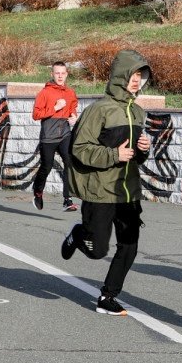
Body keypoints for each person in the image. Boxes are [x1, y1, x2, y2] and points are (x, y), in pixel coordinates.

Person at [59, 50, 152, 316]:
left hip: (128, 191)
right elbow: (79, 148)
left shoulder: (138, 112)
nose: (136, 80)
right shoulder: (99, 110)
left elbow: (135, 156)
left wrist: (143, 149)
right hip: (100, 191)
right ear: (120, 76)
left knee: (129, 246)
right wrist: (114, 155)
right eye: (132, 75)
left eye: (140, 75)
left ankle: (107, 296)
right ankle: (80, 234)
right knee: (97, 251)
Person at [32, 61, 79, 212]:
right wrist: (55, 108)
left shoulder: (70, 93)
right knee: (47, 166)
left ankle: (67, 199)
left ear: (66, 74)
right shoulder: (45, 93)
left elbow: (73, 110)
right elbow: (36, 114)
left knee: (69, 162)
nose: (60, 76)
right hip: (48, 136)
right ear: (52, 74)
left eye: (62, 73)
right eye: (57, 73)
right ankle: (38, 192)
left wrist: (74, 118)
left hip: (65, 133)